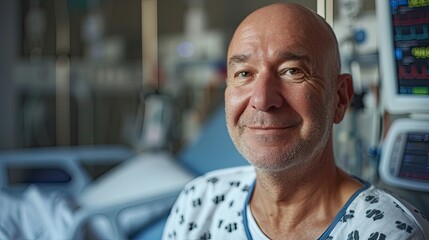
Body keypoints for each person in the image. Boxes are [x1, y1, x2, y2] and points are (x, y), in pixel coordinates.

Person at [162, 3, 429, 239]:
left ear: (340, 98)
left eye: (292, 71)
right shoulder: (199, 204)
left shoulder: (389, 231)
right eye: (244, 73)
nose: (262, 100)